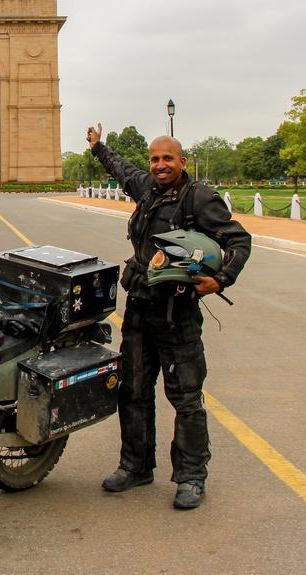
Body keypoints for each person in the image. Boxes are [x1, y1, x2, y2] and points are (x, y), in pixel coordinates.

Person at [86, 123, 251, 509]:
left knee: (186, 398)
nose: (160, 165)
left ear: (182, 161)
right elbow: (122, 170)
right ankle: (136, 466)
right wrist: (98, 148)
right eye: (155, 159)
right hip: (140, 311)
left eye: (167, 159)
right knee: (133, 391)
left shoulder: (199, 199)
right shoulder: (147, 189)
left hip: (178, 315)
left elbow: (239, 240)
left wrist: (221, 279)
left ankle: (192, 476)